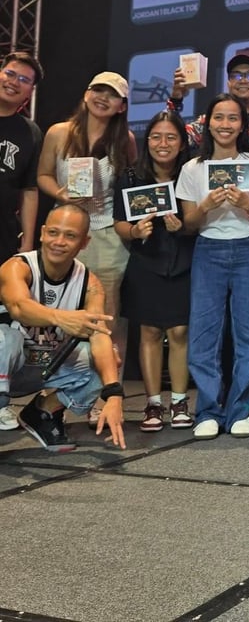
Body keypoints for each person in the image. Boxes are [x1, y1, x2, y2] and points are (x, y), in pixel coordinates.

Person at [175, 94, 249, 440]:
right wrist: (204, 206)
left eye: (233, 118)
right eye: (219, 118)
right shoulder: (192, 168)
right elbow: (188, 224)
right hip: (209, 249)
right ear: (208, 123)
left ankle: (240, 410)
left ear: (242, 125)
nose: (225, 125)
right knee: (204, 334)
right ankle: (207, 410)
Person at [0, 203, 126, 452]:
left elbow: (100, 337)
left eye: (70, 236)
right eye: (53, 232)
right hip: (7, 363)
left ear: (84, 242)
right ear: (42, 233)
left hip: (41, 365)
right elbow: (18, 307)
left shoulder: (90, 284)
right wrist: (60, 317)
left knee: (108, 358)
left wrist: (114, 394)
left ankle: (43, 413)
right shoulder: (17, 267)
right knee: (8, 338)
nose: (59, 242)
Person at [114, 111, 195, 432]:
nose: (163, 144)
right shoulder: (131, 176)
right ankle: (152, 403)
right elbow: (120, 222)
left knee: (179, 332)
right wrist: (135, 232)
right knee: (149, 332)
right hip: (146, 260)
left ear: (182, 143)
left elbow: (200, 220)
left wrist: (183, 227)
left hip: (184, 260)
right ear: (147, 141)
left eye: (171, 137)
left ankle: (179, 401)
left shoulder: (192, 173)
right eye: (157, 137)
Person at [37, 72, 136, 322]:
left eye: (113, 95)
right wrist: (60, 193)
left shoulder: (125, 140)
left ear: (122, 107)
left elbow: (130, 186)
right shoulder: (59, 133)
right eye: (98, 90)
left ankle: (106, 350)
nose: (103, 98)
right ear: (86, 94)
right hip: (64, 230)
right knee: (59, 305)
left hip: (107, 235)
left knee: (106, 312)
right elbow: (43, 175)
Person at [0, 51, 44, 432]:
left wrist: (27, 242)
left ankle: (0, 400)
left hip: (2, 238)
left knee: (2, 325)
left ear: (29, 93)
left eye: (23, 79)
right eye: (9, 73)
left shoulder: (29, 133)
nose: (12, 81)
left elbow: (30, 190)